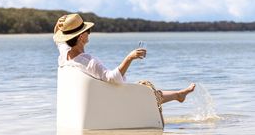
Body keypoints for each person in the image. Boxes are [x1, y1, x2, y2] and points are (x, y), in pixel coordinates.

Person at [53, 13, 195, 106]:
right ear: (81, 37)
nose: (89, 33)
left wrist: (63, 24)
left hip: (93, 99)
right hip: (110, 102)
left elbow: (58, 40)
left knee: (143, 90)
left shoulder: (65, 55)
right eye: (87, 31)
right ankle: (178, 95)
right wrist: (129, 58)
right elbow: (113, 79)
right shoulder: (88, 62)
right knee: (146, 92)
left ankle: (178, 94)